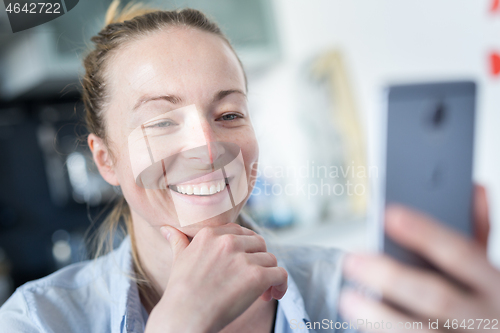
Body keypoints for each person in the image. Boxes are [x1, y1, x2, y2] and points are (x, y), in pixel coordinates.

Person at [0, 1, 499, 332]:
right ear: (106, 160)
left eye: (230, 113)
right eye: (161, 121)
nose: (207, 144)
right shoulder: (38, 319)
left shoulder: (353, 297)